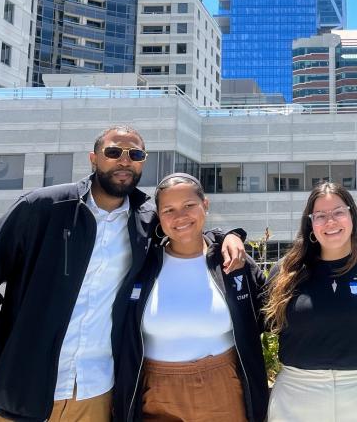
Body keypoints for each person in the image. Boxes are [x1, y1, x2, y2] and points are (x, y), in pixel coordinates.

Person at [0, 125, 246, 422]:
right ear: (93, 158)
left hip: (97, 393)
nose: (124, 161)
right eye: (113, 152)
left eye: (135, 154)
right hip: (22, 389)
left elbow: (186, 225)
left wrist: (228, 236)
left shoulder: (146, 219)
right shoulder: (44, 207)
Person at [114, 173, 268, 421]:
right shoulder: (142, 264)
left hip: (222, 388)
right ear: (159, 217)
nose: (180, 217)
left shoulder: (231, 261)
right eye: (169, 210)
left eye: (189, 206)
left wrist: (229, 234)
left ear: (205, 205)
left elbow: (272, 311)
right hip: (155, 391)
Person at [263, 182, 357, 422]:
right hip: (297, 397)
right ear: (310, 224)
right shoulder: (286, 271)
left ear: (352, 215)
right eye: (320, 215)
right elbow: (262, 322)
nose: (330, 221)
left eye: (338, 212)